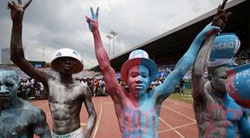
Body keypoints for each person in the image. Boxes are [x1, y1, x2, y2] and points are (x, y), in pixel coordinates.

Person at [85, 2, 226, 137]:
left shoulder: (156, 96)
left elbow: (179, 71)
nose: (139, 79)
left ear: (149, 79)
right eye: (134, 75)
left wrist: (201, 36)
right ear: (126, 79)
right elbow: (105, 66)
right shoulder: (120, 97)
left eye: (143, 75)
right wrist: (96, 32)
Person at [8, 0, 97, 138]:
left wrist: (87, 135)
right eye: (64, 59)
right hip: (54, 135)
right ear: (57, 63)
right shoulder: (48, 81)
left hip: (75, 135)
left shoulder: (82, 88)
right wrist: (17, 22)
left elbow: (92, 114)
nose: (68, 62)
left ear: (76, 66)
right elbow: (17, 58)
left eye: (71, 60)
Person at [192, 0, 250, 137]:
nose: (229, 81)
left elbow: (246, 132)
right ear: (211, 76)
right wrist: (212, 31)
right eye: (224, 77)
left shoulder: (239, 103)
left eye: (230, 76)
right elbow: (197, 73)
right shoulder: (203, 99)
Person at [0, 67, 51, 138]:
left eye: (10, 85)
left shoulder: (33, 113)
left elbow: (46, 136)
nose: (2, 90)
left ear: (19, 84)